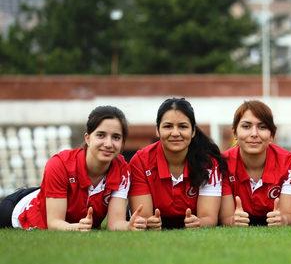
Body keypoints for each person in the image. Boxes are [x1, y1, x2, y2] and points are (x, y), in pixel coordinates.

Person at [0, 106, 144, 231]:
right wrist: (76, 227)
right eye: (101, 135)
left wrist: (129, 226)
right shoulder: (59, 164)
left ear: (123, 142)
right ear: (87, 138)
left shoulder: (123, 169)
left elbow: (115, 223)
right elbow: (54, 223)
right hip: (16, 211)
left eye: (116, 137)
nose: (108, 143)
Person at [128, 98, 226, 229]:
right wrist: (149, 222)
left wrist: (198, 223)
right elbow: (144, 217)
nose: (175, 133)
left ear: (193, 131)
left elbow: (208, 218)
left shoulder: (208, 162)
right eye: (168, 126)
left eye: (183, 126)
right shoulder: (140, 161)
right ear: (157, 130)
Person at [219, 100, 291, 226]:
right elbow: (226, 217)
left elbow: (289, 215)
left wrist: (282, 219)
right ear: (235, 132)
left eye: (262, 127)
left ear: (272, 135)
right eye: (246, 126)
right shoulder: (222, 163)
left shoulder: (289, 162)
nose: (254, 134)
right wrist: (232, 221)